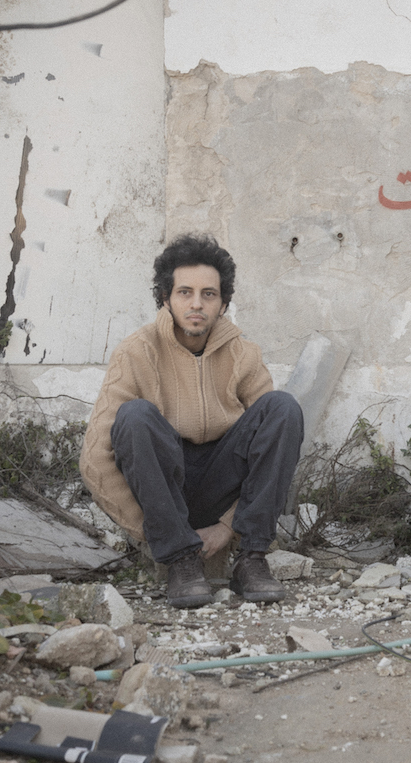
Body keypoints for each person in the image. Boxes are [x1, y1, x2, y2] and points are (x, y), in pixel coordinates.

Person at [80, 234, 303, 608]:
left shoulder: (243, 354)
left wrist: (228, 528)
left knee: (282, 408)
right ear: (165, 298)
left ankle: (251, 559)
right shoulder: (136, 352)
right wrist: (158, 532)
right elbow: (95, 460)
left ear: (224, 302)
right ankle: (181, 562)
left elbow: (272, 442)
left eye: (209, 294)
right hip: (164, 487)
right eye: (185, 292)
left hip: (221, 482)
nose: (196, 304)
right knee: (135, 416)